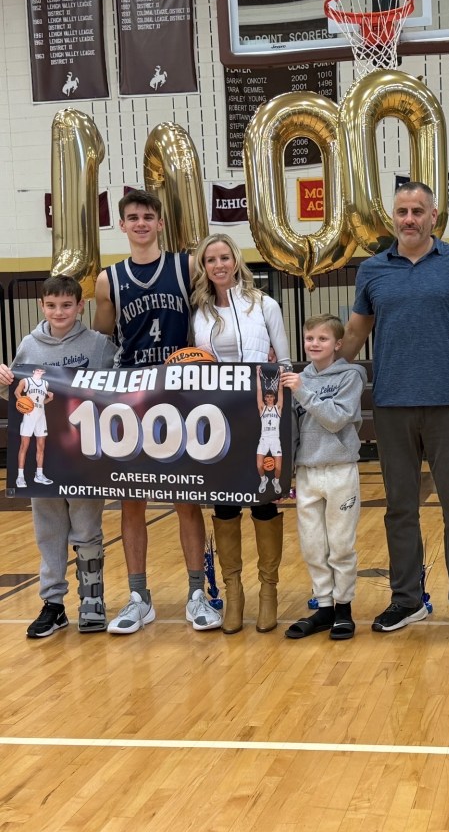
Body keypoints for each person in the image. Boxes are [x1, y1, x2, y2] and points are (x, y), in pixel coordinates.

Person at [341, 181, 449, 636]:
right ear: (392, 216)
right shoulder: (372, 270)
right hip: (392, 404)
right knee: (400, 508)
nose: (409, 219)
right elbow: (354, 337)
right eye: (402, 211)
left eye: (418, 211)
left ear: (434, 215)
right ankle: (406, 600)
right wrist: (312, 370)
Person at [94, 189, 221, 635]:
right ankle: (138, 597)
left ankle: (196, 594)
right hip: (133, 396)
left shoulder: (185, 266)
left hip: (182, 393)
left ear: (161, 224)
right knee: (132, 501)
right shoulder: (108, 281)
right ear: (122, 226)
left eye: (149, 216)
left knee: (187, 498)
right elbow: (100, 341)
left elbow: (215, 312)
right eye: (133, 217)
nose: (142, 223)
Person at [0, 275, 117, 637]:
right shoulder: (28, 346)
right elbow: (16, 396)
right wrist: (4, 382)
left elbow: (118, 391)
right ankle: (53, 603)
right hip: (43, 458)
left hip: (84, 456)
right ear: (41, 306)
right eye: (52, 305)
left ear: (81, 306)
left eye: (67, 305)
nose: (59, 312)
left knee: (86, 529)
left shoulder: (99, 345)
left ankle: (91, 599)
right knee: (48, 532)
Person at [191, 232, 291, 634]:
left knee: (264, 502)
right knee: (226, 505)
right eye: (211, 259)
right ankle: (234, 593)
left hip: (261, 415)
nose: (218, 265)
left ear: (236, 261)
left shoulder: (264, 304)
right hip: (218, 421)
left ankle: (269, 592)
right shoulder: (197, 312)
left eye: (224, 257)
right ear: (203, 266)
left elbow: (282, 361)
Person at [280, 314, 367, 640]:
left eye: (322, 339)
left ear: (338, 344)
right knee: (313, 545)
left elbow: (335, 420)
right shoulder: (298, 379)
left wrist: (303, 392)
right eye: (309, 338)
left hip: (340, 469)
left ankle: (344, 608)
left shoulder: (350, 376)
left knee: (341, 545)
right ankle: (325, 607)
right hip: (307, 472)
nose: (314, 344)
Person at [14, 367, 54, 487]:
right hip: (29, 416)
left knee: (41, 446)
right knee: (24, 446)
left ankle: (39, 475)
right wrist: (23, 404)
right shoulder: (26, 381)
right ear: (33, 371)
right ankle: (20, 477)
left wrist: (50, 399)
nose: (39, 372)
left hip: (41, 417)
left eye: (41, 371)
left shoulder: (46, 384)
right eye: (37, 370)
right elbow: (17, 392)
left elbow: (42, 403)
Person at [256, 368, 284, 496]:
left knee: (278, 468)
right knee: (259, 465)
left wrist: (282, 372)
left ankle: (275, 482)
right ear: (265, 399)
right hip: (264, 439)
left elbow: (280, 390)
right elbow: (259, 390)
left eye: (271, 396)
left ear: (274, 398)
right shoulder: (262, 409)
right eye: (267, 396)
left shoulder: (278, 408)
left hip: (275, 439)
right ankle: (264, 480)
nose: (269, 398)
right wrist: (257, 374)